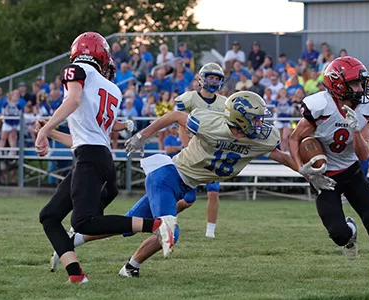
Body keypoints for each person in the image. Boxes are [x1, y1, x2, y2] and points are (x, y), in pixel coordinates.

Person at [49, 91, 295, 278]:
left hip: (185, 185)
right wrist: (142, 135)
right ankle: (127, 260)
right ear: (240, 120)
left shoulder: (261, 139)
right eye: (255, 118)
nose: (260, 123)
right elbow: (176, 115)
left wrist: (307, 171)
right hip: (167, 176)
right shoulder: (210, 124)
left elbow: (282, 156)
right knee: (168, 230)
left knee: (127, 224)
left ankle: (93, 251)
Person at [36, 32, 174, 284]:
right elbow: (83, 138)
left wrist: (45, 130)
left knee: (84, 222)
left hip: (91, 160)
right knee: (50, 216)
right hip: (96, 158)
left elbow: (74, 100)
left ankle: (156, 226)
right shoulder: (111, 88)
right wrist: (51, 132)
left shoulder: (77, 70)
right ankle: (76, 275)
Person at [288, 56, 369, 278]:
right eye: (355, 83)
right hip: (325, 178)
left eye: (361, 83)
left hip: (352, 172)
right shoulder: (320, 105)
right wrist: (303, 169)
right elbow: (295, 139)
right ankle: (350, 233)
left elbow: (364, 154)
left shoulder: (366, 109)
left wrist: (354, 128)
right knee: (338, 234)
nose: (361, 88)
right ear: (337, 85)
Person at [174, 62, 227, 238]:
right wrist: (187, 146)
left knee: (214, 191)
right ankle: (165, 217)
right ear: (201, 79)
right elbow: (182, 125)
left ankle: (210, 231)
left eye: (217, 78)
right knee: (188, 200)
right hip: (193, 150)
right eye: (210, 77)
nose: (213, 81)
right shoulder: (189, 99)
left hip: (212, 152)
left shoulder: (224, 103)